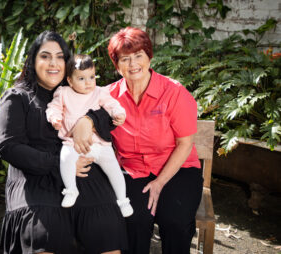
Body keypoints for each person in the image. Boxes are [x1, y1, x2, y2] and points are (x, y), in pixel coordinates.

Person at [72, 27, 203, 254]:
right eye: (125, 59)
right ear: (117, 64)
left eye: (138, 56)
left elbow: (185, 144)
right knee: (133, 220)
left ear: (149, 57)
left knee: (175, 222)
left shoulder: (174, 93)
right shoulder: (108, 96)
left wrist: (160, 182)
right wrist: (85, 122)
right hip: (133, 171)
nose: (133, 64)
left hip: (177, 168)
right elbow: (85, 113)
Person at [0, 31, 127, 254]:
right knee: (45, 231)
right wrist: (59, 163)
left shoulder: (77, 89)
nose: (53, 63)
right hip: (36, 176)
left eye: (59, 56)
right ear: (32, 60)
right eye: (45, 56)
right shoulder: (17, 97)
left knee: (105, 226)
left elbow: (110, 115)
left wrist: (89, 120)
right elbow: (8, 146)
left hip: (83, 170)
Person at [46, 54, 133, 217]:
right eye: (81, 78)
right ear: (70, 81)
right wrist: (54, 118)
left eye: (91, 77)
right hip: (73, 144)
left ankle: (123, 200)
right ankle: (71, 190)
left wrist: (119, 113)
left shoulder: (99, 92)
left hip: (99, 144)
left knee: (114, 170)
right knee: (65, 159)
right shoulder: (63, 92)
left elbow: (112, 104)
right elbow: (53, 107)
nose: (88, 82)